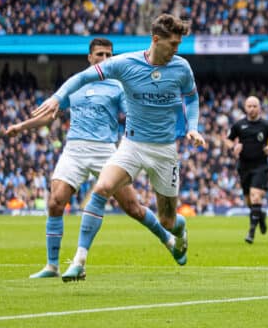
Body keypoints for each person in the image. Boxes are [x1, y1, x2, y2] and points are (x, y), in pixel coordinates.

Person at [33, 14, 205, 281]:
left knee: (168, 221)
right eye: (172, 43)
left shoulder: (182, 68)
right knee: (101, 189)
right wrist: (57, 97)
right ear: (156, 40)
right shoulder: (125, 63)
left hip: (164, 151)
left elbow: (192, 99)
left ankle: (180, 233)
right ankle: (79, 261)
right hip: (132, 145)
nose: (176, 49)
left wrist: (193, 126)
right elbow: (82, 78)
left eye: (179, 44)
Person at [5, 38, 184, 279]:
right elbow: (51, 115)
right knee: (55, 202)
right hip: (74, 150)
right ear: (90, 58)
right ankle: (51, 266)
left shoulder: (118, 87)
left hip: (105, 151)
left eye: (109, 55)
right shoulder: (77, 84)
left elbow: (134, 112)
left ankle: (169, 240)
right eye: (100, 54)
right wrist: (22, 126)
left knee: (132, 208)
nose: (105, 59)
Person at [225, 96, 268, 244]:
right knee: (249, 201)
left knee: (256, 196)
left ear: (259, 108)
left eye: (254, 106)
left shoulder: (267, 125)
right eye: (249, 106)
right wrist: (233, 147)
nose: (252, 109)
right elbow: (227, 139)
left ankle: (251, 232)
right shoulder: (239, 125)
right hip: (244, 167)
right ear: (245, 108)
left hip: (261, 166)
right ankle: (260, 215)